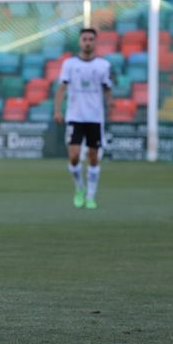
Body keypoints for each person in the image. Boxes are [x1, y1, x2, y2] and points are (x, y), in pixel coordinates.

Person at [54, 28, 112, 210]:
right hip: (75, 116)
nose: (87, 42)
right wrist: (57, 109)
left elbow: (107, 88)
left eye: (91, 39)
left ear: (95, 43)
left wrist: (112, 104)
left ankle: (91, 196)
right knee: (73, 156)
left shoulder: (103, 65)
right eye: (85, 39)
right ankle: (79, 188)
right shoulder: (69, 64)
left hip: (95, 118)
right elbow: (62, 88)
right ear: (80, 42)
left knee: (93, 157)